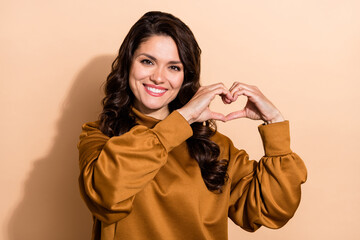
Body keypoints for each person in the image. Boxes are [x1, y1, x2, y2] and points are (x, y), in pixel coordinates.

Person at [78, 11, 307, 240]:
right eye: (147, 61)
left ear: (185, 77)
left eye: (174, 67)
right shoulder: (99, 136)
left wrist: (275, 122)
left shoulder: (214, 147)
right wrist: (182, 118)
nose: (158, 77)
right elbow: (106, 194)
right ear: (128, 65)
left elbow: (272, 210)